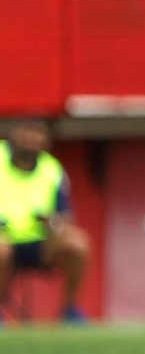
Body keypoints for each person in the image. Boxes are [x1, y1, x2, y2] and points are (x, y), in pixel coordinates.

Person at [0, 120, 92, 325]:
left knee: (76, 242)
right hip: (3, 241)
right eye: (27, 131)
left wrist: (52, 222)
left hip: (38, 241)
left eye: (38, 133)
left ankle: (69, 311)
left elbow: (65, 218)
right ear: (13, 134)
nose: (33, 139)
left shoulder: (52, 170)